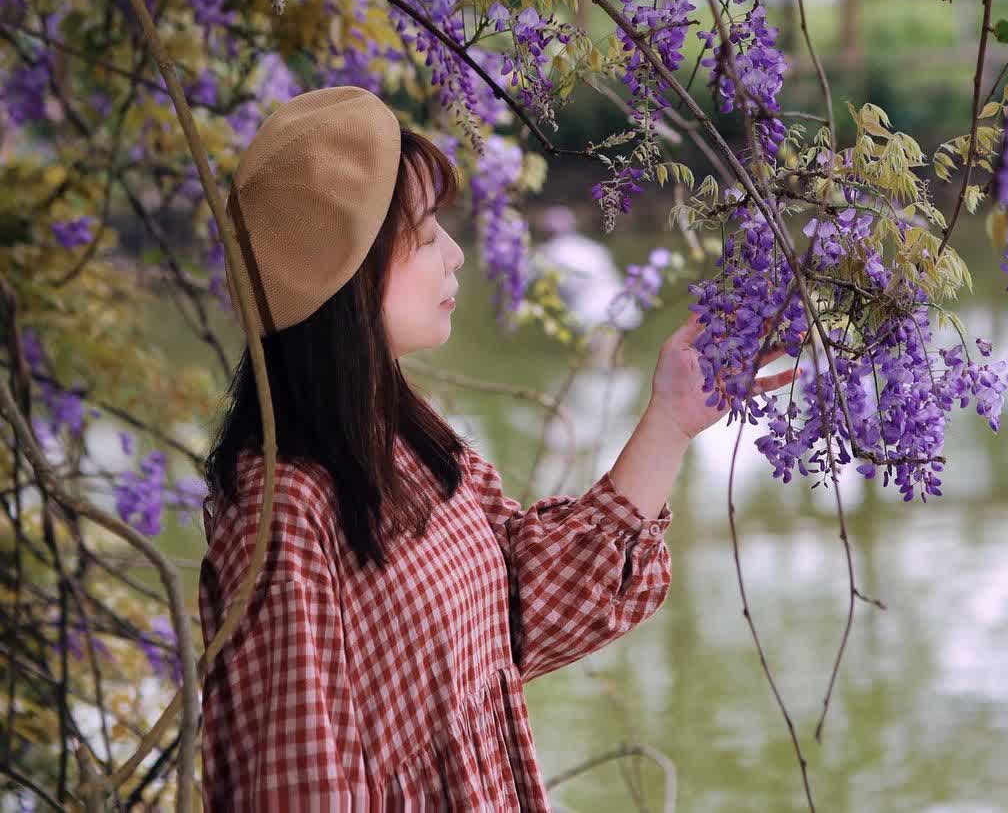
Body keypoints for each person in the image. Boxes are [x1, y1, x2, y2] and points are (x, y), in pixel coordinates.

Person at [198, 86, 798, 810]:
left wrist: (669, 420)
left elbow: (524, 609)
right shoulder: (282, 509)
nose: (455, 255)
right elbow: (297, 792)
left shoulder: (413, 444)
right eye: (424, 237)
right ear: (349, 279)